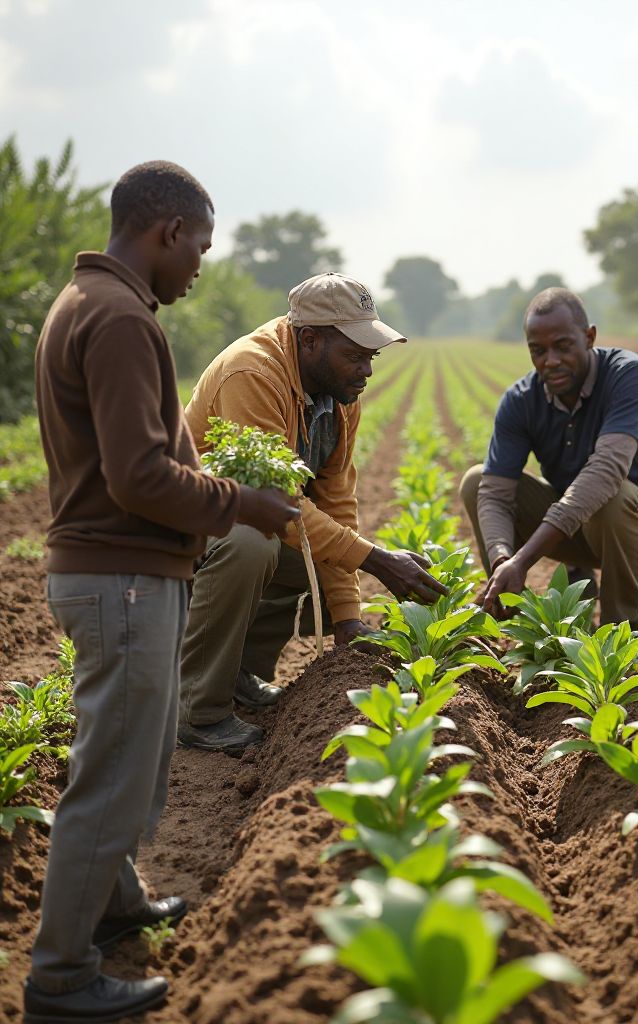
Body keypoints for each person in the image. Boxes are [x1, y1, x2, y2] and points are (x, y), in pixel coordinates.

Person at [27, 161, 298, 1023]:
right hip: (122, 580)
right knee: (111, 778)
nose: (199, 269)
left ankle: (115, 904)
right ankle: (61, 977)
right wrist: (242, 505)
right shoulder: (115, 320)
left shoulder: (96, 305)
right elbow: (140, 476)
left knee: (128, 760)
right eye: (201, 249)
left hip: (118, 576)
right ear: (167, 231)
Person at [177, 272, 447, 755]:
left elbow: (336, 501)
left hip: (243, 522)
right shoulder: (253, 374)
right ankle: (199, 710)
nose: (366, 370)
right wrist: (377, 560)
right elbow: (276, 505)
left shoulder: (340, 395)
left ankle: (239, 673)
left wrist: (347, 617)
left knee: (325, 559)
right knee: (251, 543)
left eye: (371, 356)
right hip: (180, 538)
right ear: (309, 340)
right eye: (355, 355)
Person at [460, 287, 638, 628]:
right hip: (575, 529)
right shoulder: (520, 400)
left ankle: (620, 633)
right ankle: (521, 620)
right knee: (476, 482)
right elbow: (494, 493)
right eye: (538, 351)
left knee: (612, 495)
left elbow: (607, 472)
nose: (551, 361)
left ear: (589, 336)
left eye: (563, 346)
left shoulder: (628, 374)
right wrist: (504, 558)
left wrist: (525, 558)